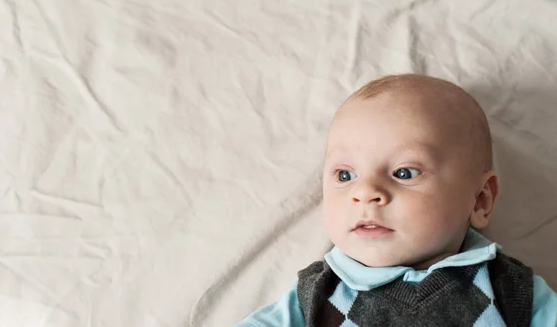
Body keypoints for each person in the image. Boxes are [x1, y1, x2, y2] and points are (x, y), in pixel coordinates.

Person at [237, 74, 557, 326]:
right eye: (345, 175)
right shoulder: (319, 293)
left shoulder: (509, 289)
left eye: (404, 173)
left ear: (479, 201)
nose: (365, 192)